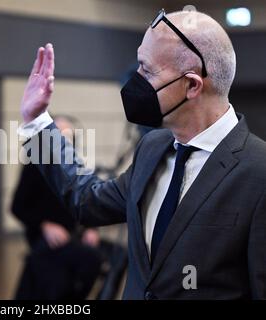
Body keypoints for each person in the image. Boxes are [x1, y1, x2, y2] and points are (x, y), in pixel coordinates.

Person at [17, 9, 266, 299]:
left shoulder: (258, 173)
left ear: (192, 85)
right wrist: (37, 121)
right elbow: (87, 200)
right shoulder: (152, 148)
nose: (135, 81)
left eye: (147, 71)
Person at [12, 115, 102, 300]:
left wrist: (91, 229)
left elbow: (85, 204)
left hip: (73, 235)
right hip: (45, 238)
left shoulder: (76, 170)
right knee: (57, 274)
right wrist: (45, 225)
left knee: (99, 259)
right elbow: (17, 206)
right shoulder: (35, 168)